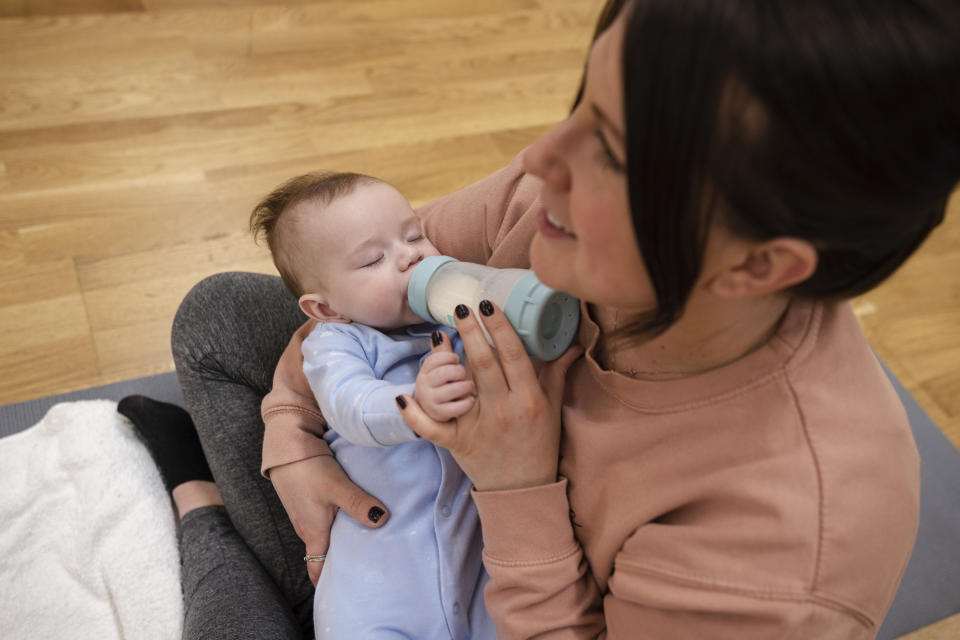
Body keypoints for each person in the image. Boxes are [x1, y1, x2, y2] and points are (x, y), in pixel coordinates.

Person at [158, 0, 960, 638]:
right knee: (221, 313)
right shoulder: (551, 201)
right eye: (584, 100)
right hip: (396, 520)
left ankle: (199, 511)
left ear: (757, 263)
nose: (541, 159)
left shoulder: (784, 556)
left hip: (491, 606)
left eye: (611, 151)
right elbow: (356, 294)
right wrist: (293, 436)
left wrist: (516, 486)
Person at [247, 171, 491, 639]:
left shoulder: (454, 318)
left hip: (476, 571)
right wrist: (415, 402)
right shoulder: (337, 342)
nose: (412, 256)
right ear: (325, 309)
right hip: (376, 590)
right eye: (374, 259)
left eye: (414, 234)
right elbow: (350, 405)